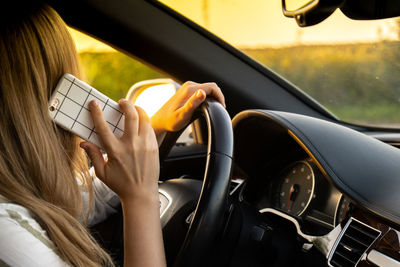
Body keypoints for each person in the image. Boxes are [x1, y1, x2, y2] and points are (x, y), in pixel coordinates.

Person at [0, 2, 225, 267]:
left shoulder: (17, 193)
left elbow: (74, 202)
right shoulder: (7, 236)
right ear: (38, 101)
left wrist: (153, 128)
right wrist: (141, 199)